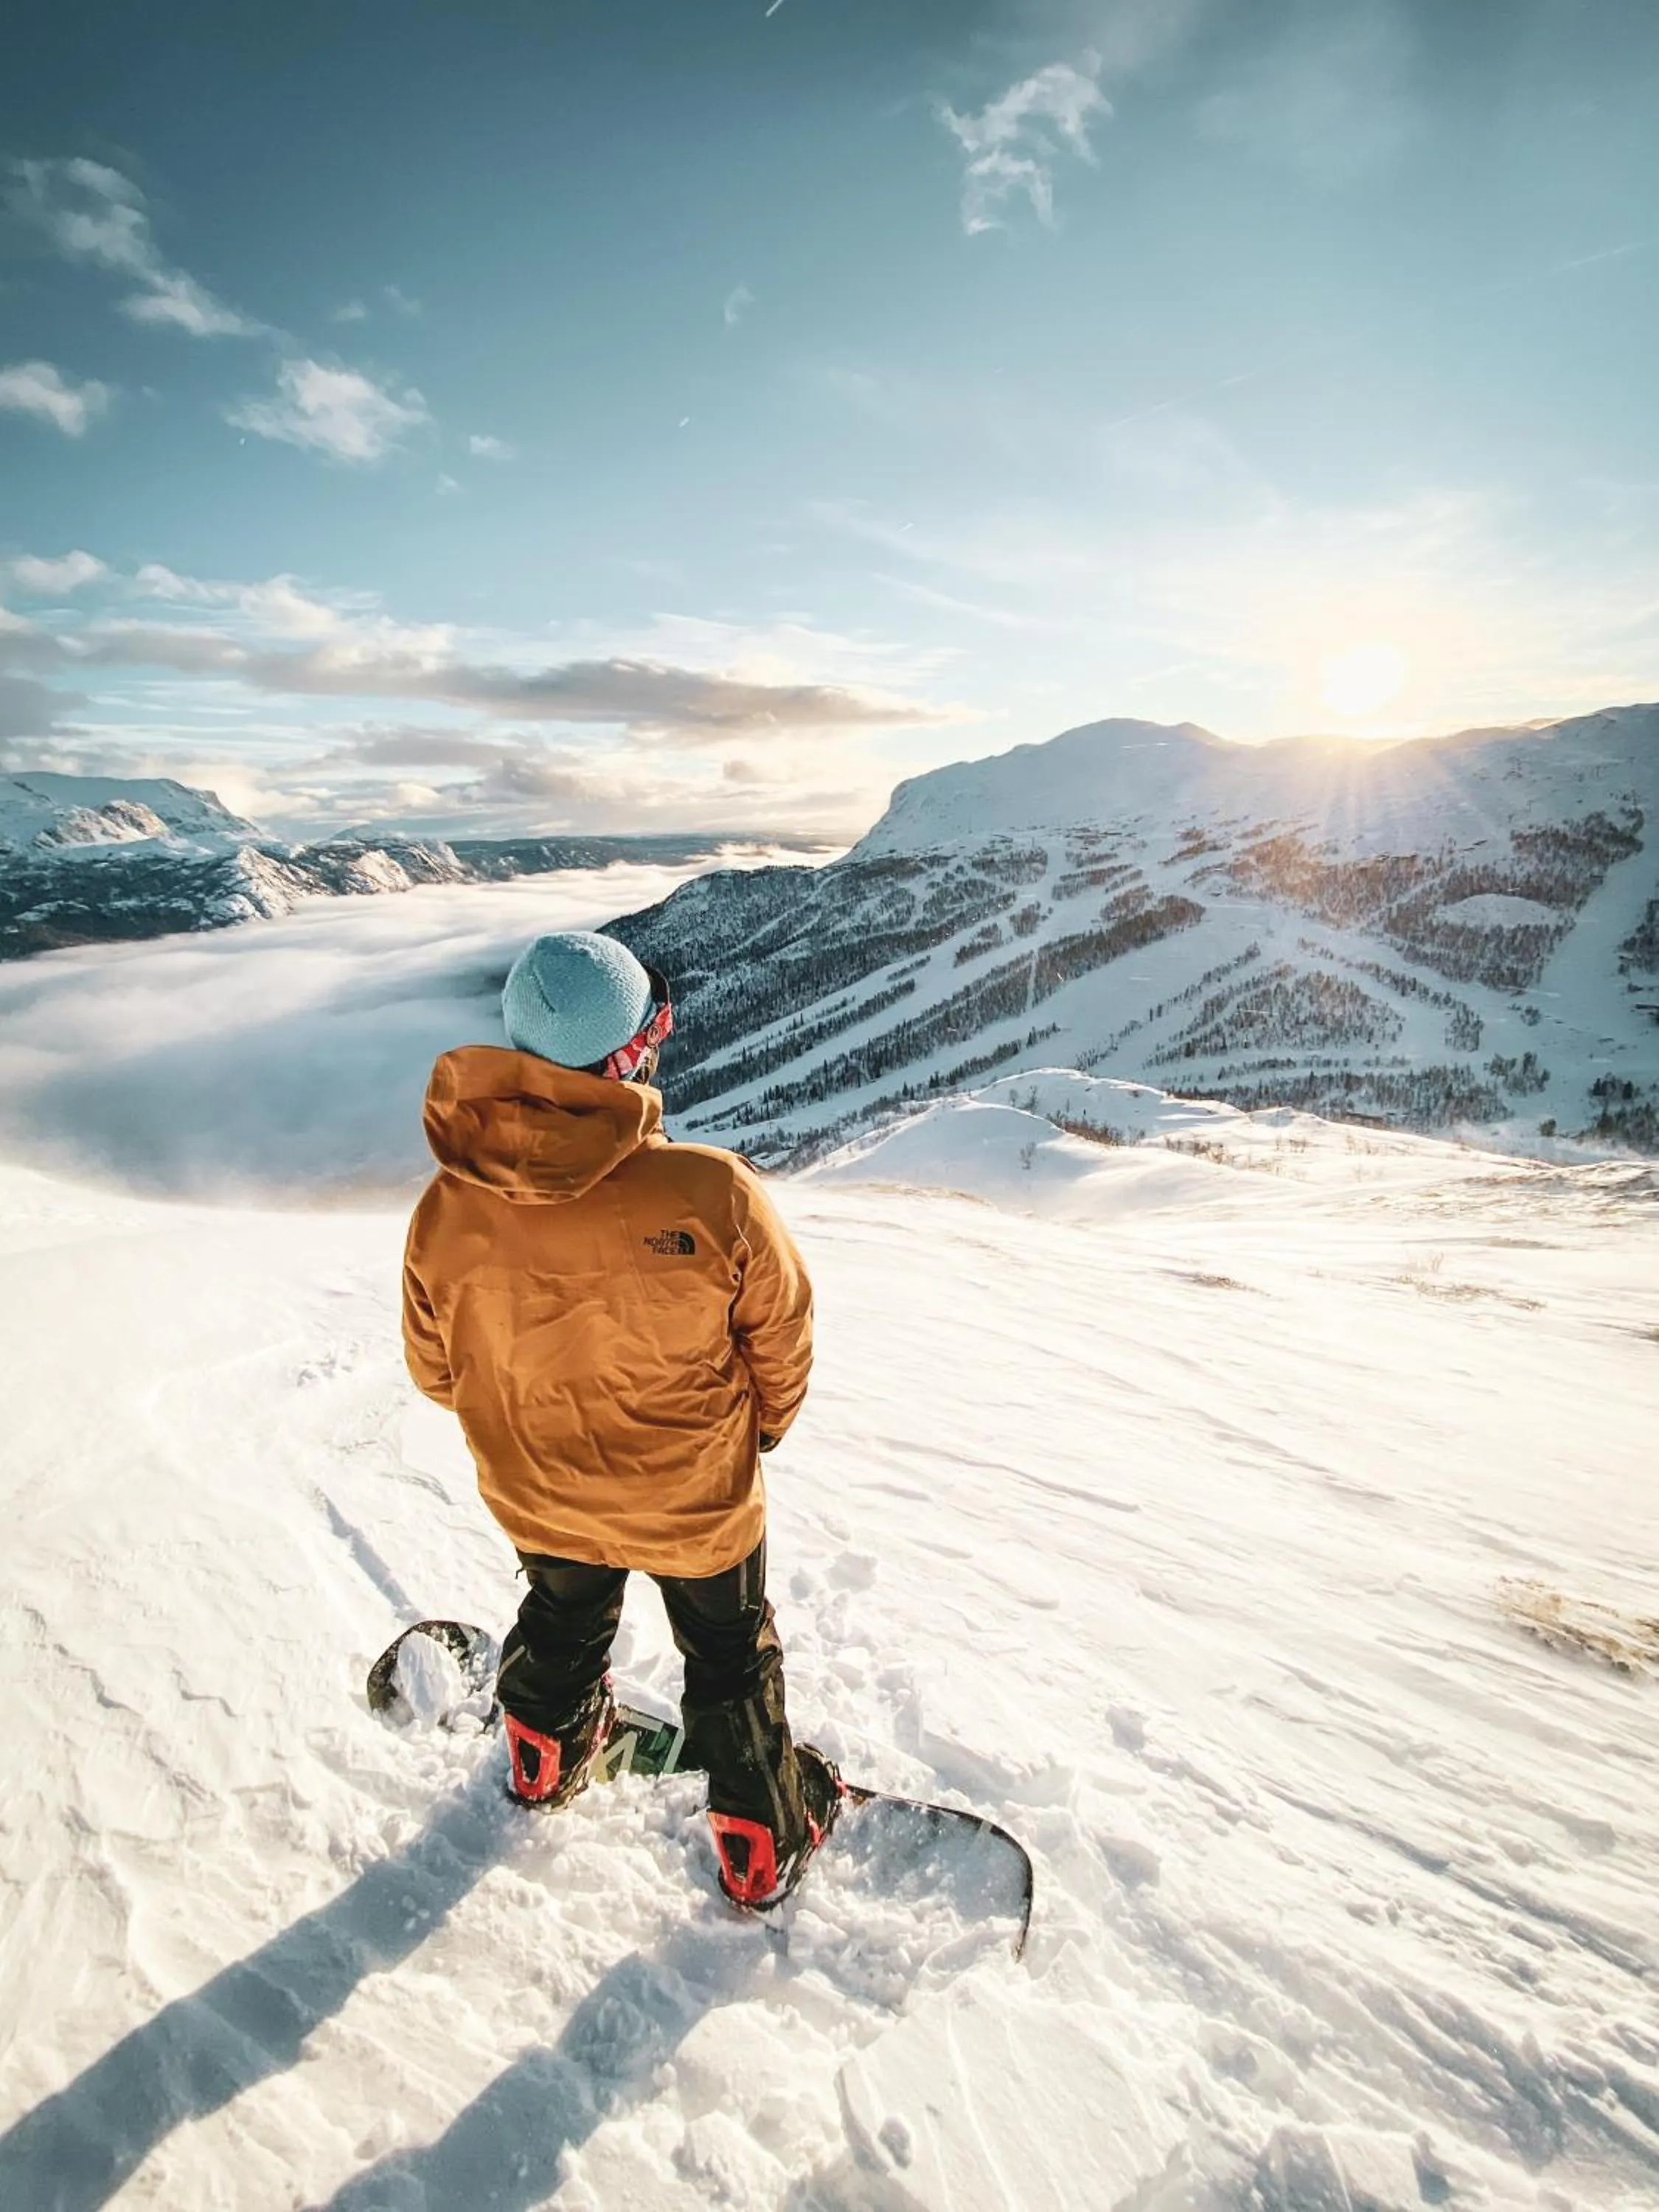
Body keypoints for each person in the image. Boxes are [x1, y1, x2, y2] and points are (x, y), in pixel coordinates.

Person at [401, 928, 840, 1908]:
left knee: (560, 1613)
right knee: (727, 1659)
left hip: (535, 1484)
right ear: (633, 1053)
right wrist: (753, 1434)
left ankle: (541, 1755)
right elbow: (780, 1340)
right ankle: (759, 1835)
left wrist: (526, 1415)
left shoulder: (447, 1205)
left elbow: (438, 1371)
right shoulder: (710, 1193)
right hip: (694, 1498)